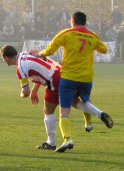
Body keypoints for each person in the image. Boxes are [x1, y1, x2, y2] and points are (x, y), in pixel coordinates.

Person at [30, 12, 114, 152]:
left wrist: (38, 54)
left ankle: (67, 139)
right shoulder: (92, 36)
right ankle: (94, 118)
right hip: (86, 78)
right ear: (85, 22)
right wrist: (92, 42)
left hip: (69, 77)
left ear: (72, 21)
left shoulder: (66, 33)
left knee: (64, 111)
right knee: (84, 102)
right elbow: (104, 50)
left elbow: (50, 50)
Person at [0, 45, 112, 150]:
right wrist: (35, 90)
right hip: (63, 71)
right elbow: (39, 68)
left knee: (48, 110)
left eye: (3, 58)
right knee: (74, 101)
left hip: (54, 79)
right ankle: (100, 113)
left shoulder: (20, 68)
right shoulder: (27, 54)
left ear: (6, 57)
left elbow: (25, 92)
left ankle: (51, 142)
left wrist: (22, 94)